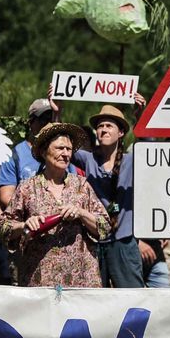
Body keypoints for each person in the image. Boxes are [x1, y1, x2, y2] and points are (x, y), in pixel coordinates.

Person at [0, 123, 110, 287]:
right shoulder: (27, 188)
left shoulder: (81, 185)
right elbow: (3, 228)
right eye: (60, 148)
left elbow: (105, 227)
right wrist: (24, 225)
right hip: (40, 282)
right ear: (44, 152)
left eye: (69, 149)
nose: (65, 154)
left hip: (81, 281)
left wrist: (81, 213)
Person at [72, 105, 143, 288]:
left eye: (109, 126)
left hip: (123, 241)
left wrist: (140, 115)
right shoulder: (89, 159)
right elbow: (61, 145)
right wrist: (57, 113)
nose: (103, 129)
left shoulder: (131, 160)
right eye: (100, 126)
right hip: (95, 241)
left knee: (131, 297)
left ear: (120, 133)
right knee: (96, 300)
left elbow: (148, 148)